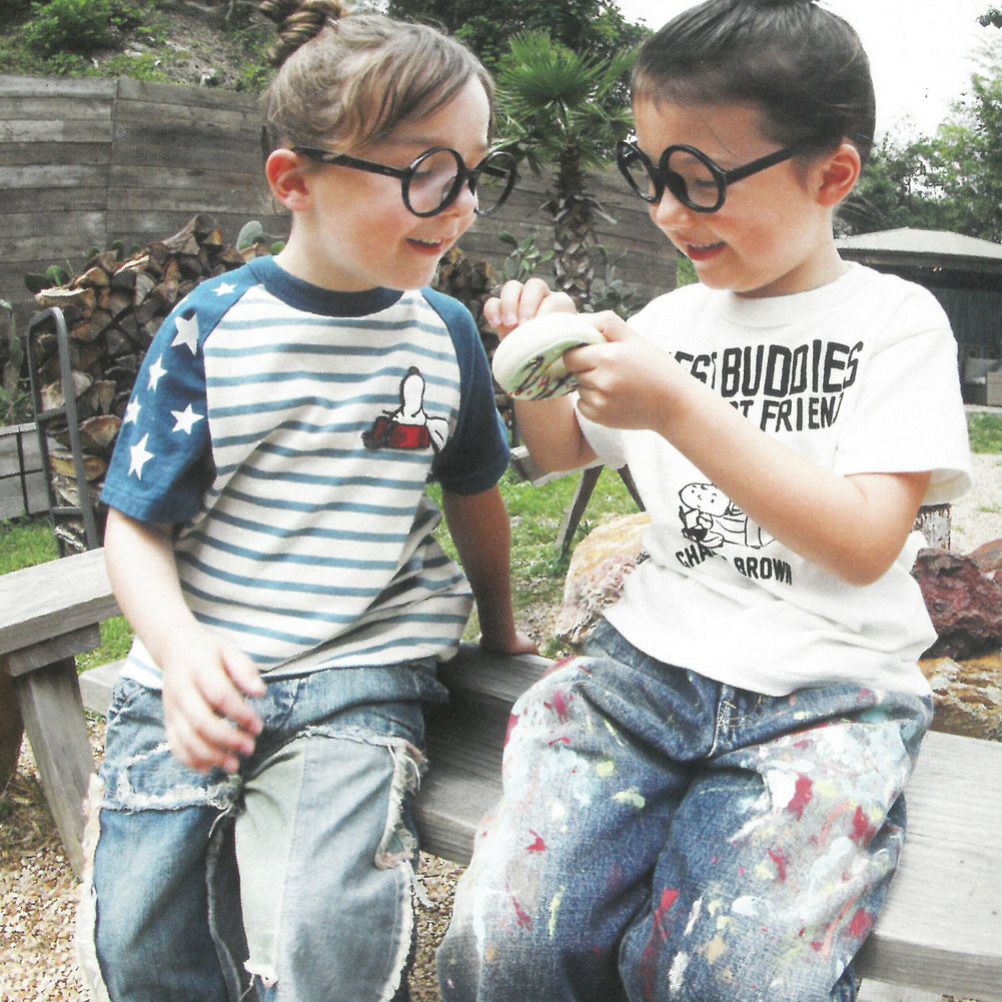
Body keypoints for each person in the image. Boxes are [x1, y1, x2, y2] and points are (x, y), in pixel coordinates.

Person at [437, 1, 972, 1000]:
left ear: (831, 176)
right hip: (644, 674)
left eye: (701, 180)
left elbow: (865, 542)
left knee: (735, 975)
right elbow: (559, 452)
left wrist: (680, 406)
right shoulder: (670, 320)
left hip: (827, 698)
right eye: (651, 174)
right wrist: (537, 359)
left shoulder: (896, 323)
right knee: (511, 941)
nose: (668, 212)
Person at [75, 2, 535, 999]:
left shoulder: (446, 331)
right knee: (139, 935)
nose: (460, 204)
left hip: (360, 670)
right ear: (295, 181)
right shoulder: (212, 329)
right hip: (194, 667)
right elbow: (136, 527)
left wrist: (501, 629)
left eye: (473, 171)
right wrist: (181, 651)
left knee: (328, 927)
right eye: (427, 171)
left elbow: (475, 493)